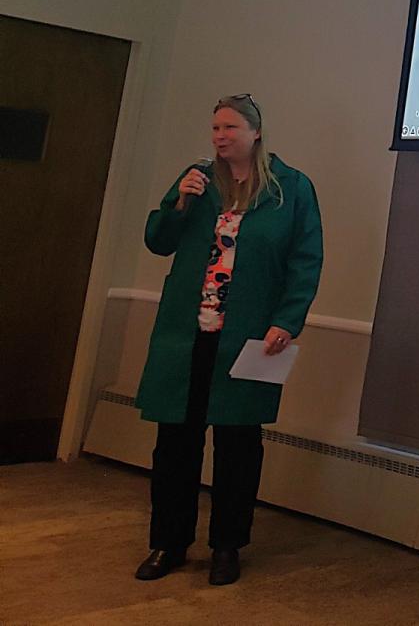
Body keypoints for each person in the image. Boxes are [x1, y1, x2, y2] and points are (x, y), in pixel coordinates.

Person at [133, 94, 323, 586]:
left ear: (255, 133)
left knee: (238, 448)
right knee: (175, 445)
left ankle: (227, 547)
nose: (219, 136)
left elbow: (306, 259)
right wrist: (180, 203)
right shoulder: (195, 180)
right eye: (215, 127)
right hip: (187, 337)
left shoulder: (291, 189)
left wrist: (288, 319)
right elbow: (158, 240)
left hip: (248, 339)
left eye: (230, 127)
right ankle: (168, 543)